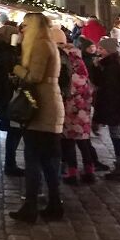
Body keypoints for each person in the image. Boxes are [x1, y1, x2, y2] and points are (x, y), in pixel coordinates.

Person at [9, 13, 65, 223]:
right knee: (48, 159)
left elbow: (34, 76)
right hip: (46, 105)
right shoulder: (46, 43)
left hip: (42, 107)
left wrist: (16, 68)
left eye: (24, 25)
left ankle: (31, 206)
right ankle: (53, 204)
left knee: (34, 158)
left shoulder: (41, 45)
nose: (21, 29)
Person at [52, 29, 96, 184]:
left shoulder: (60, 56)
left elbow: (61, 81)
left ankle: (72, 173)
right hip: (83, 103)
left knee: (68, 140)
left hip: (69, 103)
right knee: (83, 140)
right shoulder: (77, 56)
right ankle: (89, 171)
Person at [92, 37, 120, 181]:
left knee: (116, 136)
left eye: (101, 49)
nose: (99, 51)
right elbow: (98, 83)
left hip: (116, 107)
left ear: (109, 50)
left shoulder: (119, 65)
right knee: (115, 135)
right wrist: (96, 67)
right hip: (109, 105)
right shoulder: (105, 64)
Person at [0, 24, 22, 176]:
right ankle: (10, 164)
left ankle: (11, 163)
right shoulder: (8, 54)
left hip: (4, 98)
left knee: (14, 131)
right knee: (15, 131)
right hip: (11, 98)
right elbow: (11, 75)